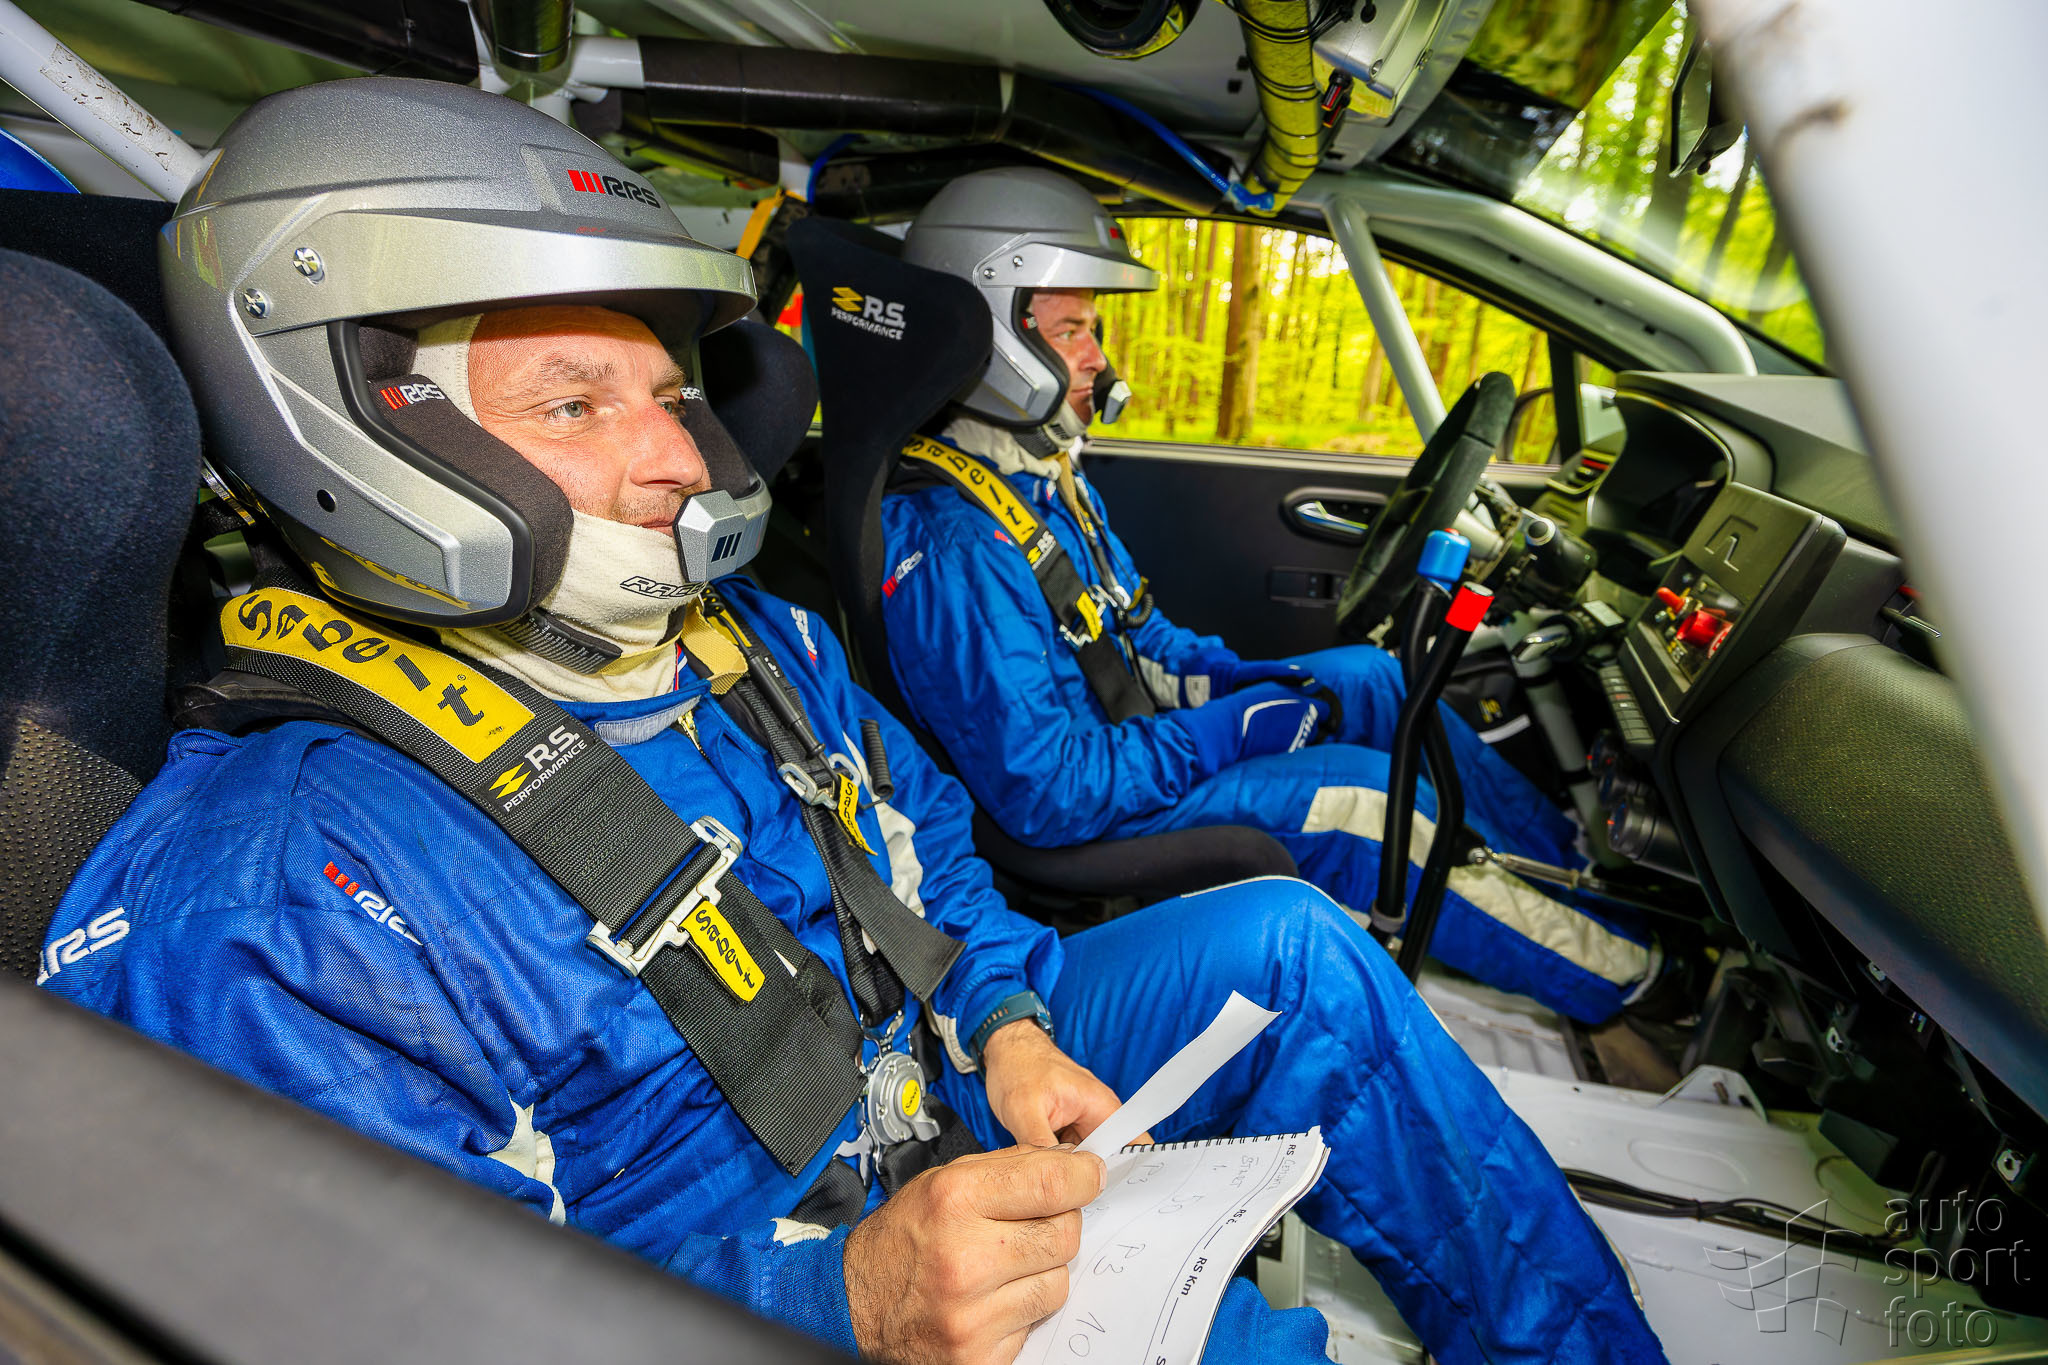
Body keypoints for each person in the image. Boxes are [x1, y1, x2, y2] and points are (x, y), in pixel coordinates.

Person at [39, 79, 1664, 1365]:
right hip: (766, 1275)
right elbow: (429, 1327)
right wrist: (851, 1302)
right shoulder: (274, 898)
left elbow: (929, 844)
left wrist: (1006, 1022)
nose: (676, 459)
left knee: (1293, 946)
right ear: (355, 422)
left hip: (928, 1078)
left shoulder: (753, 640)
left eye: (668, 393)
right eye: (572, 404)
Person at [879, 167, 1659, 1025]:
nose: (1098, 359)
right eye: (1073, 332)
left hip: (1129, 753)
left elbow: (1144, 640)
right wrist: (1225, 732)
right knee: (1366, 803)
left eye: (1093, 330)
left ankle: (1576, 872)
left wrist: (1256, 684)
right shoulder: (953, 543)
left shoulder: (1043, 476)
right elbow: (1050, 790)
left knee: (1376, 679)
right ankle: (1638, 977)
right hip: (1094, 811)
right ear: (993, 340)